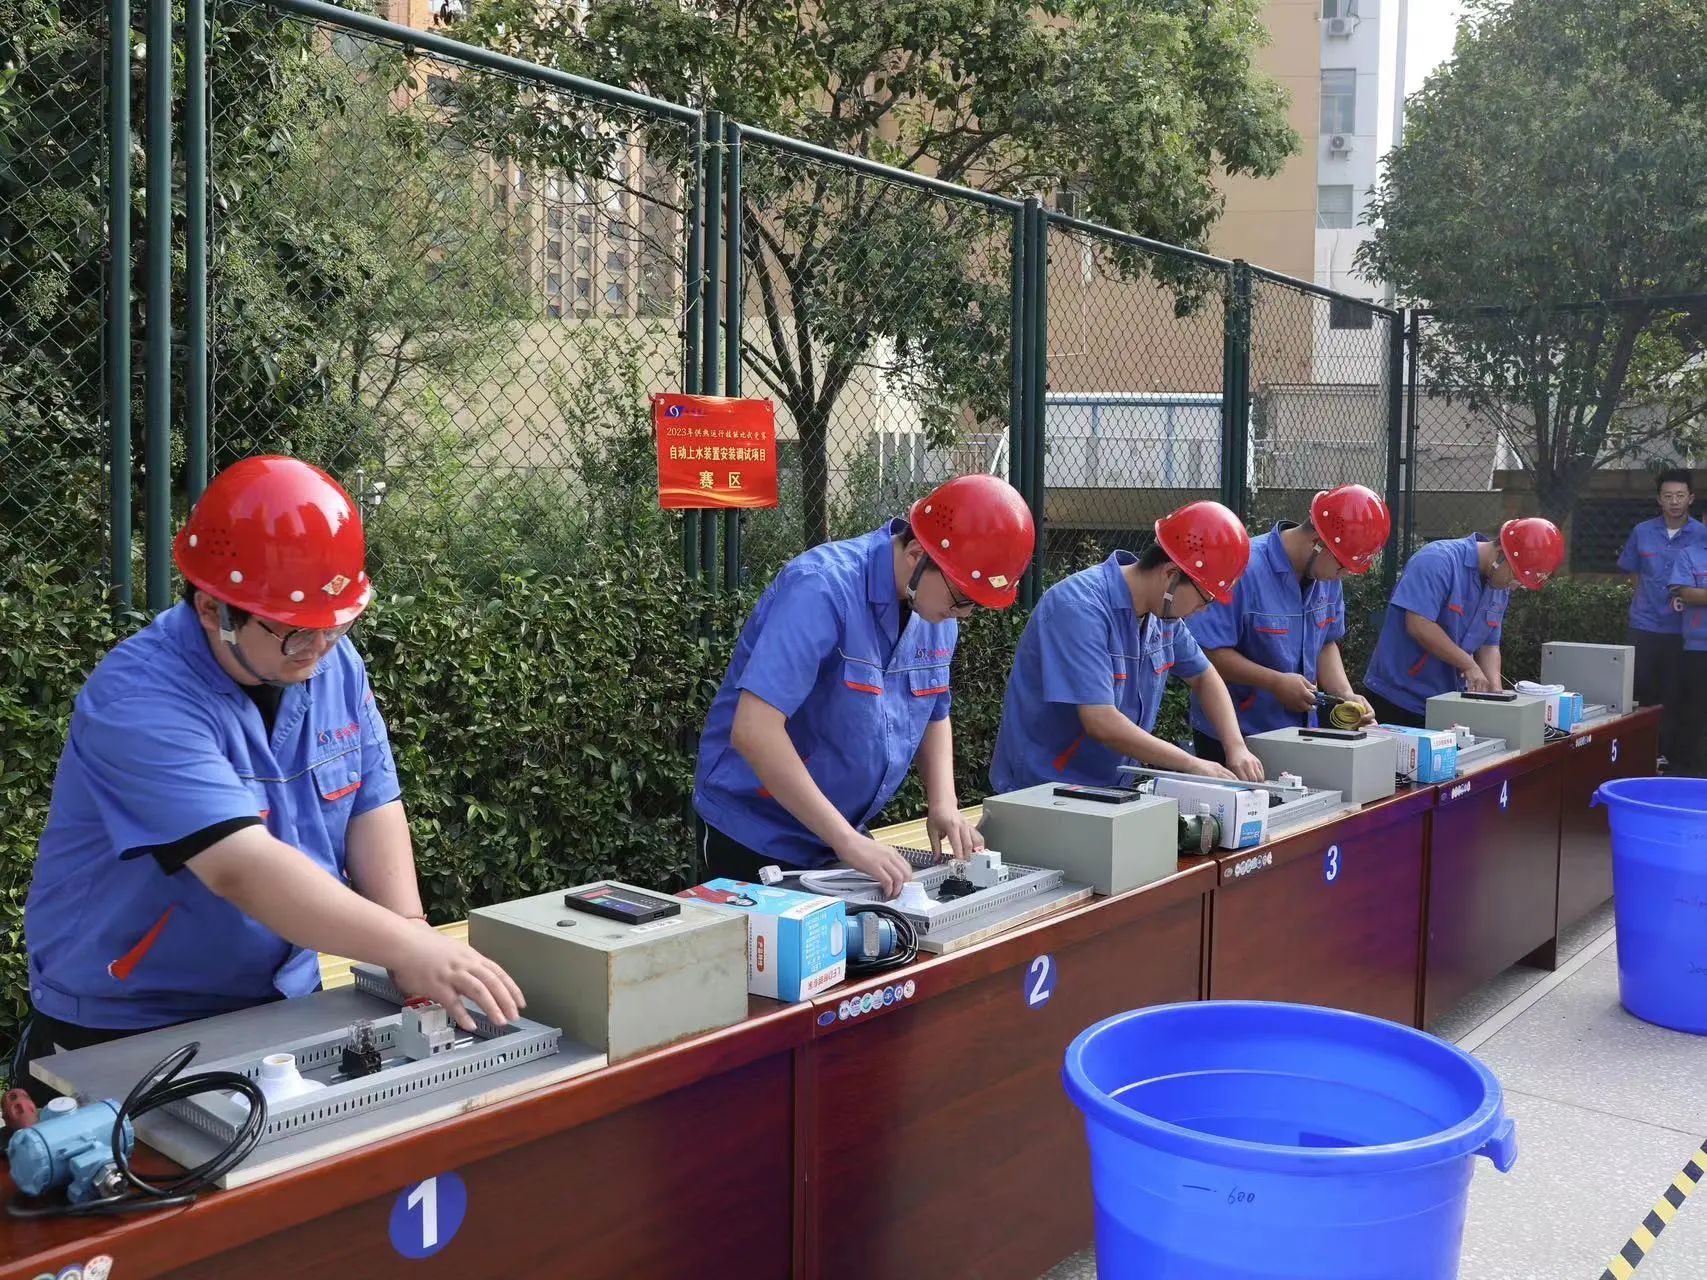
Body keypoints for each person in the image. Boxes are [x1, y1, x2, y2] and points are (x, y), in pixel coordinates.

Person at [14, 457, 524, 1105]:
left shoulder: (331, 661)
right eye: (294, 632)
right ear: (213, 609)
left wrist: (411, 931)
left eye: (337, 625)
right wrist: (405, 945)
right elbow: (239, 867)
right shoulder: (139, 700)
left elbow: (371, 802)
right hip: (129, 1018)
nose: (319, 648)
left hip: (281, 998)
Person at [693, 474, 1035, 900]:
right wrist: (848, 842)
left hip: (839, 832)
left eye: (975, 604)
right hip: (757, 831)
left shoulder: (934, 611)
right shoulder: (821, 588)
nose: (964, 614)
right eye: (962, 598)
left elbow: (934, 709)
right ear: (917, 555)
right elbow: (754, 730)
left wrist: (943, 802)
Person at [989, 500, 1266, 795]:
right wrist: (1192, 764)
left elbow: (1204, 676)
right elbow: (1101, 721)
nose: (1202, 610)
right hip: (1042, 791)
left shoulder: (1163, 616)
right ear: (1171, 574)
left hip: (1110, 789)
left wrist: (1236, 747)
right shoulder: (1079, 608)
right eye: (1204, 598)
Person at [1186, 485, 1392, 762]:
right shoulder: (1243, 568)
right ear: (1318, 542)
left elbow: (1325, 642)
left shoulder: (1326, 575)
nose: (1342, 575)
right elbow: (1207, 654)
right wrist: (1274, 683)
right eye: (1342, 566)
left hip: (1299, 732)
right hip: (1234, 734)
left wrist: (1344, 693)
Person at [1362, 518, 1565, 728]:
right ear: (1501, 554)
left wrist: (1496, 693)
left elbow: (1489, 644)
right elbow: (1419, 624)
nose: (1513, 586)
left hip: (1447, 703)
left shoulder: (1498, 586)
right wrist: (1468, 664)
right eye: (1515, 576)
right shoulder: (1436, 560)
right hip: (1397, 698)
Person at [1618, 469, 1705, 770]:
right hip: (1644, 624)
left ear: (1691, 498)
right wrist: (1644, 600)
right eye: (1668, 496)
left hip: (1681, 629)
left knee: (1676, 693)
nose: (1674, 502)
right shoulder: (1642, 532)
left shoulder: (1701, 534)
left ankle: (1669, 756)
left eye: (1680, 495)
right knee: (1640, 689)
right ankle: (1641, 754)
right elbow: (1633, 571)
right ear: (1659, 499)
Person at [1667, 540, 1707, 775]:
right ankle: (1694, 773)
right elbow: (1687, 593)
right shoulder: (1689, 554)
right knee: (1696, 713)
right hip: (1699, 648)